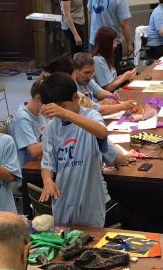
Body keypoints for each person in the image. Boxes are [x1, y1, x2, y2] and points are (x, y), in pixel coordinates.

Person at [39, 71, 115, 227]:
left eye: (62, 107)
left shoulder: (90, 115)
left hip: (90, 198)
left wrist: (66, 114)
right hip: (64, 198)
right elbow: (47, 163)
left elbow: (102, 132)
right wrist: (47, 180)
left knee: (91, 240)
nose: (58, 113)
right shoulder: (52, 127)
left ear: (75, 98)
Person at [88, 0, 131, 64]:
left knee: (96, 72)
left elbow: (89, 11)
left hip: (94, 39)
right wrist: (129, 43)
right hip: (112, 43)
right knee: (112, 74)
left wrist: (92, 30)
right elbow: (123, 24)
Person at [70, 53, 135, 117]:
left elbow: (100, 93)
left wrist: (112, 96)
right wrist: (121, 106)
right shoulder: (72, 87)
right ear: (76, 70)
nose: (90, 77)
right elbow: (89, 108)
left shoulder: (88, 80)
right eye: (86, 73)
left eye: (92, 72)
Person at [10, 76, 46, 170]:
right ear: (39, 99)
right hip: (27, 170)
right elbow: (34, 151)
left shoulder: (41, 112)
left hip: (42, 162)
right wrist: (58, 138)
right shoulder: (22, 118)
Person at [92, 27, 138, 92]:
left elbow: (111, 80)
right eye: (113, 42)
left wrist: (125, 76)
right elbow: (107, 88)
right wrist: (125, 76)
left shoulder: (107, 58)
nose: (115, 45)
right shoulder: (97, 60)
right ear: (106, 44)